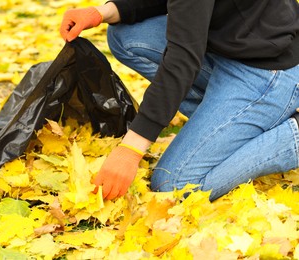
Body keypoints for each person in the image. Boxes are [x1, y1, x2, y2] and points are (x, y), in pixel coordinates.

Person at [60, 0, 299, 201]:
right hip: (229, 46)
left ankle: (288, 133)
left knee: (174, 184)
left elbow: (182, 59)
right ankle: (232, 126)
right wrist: (102, 12)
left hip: (267, 70)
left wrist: (130, 149)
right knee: (126, 36)